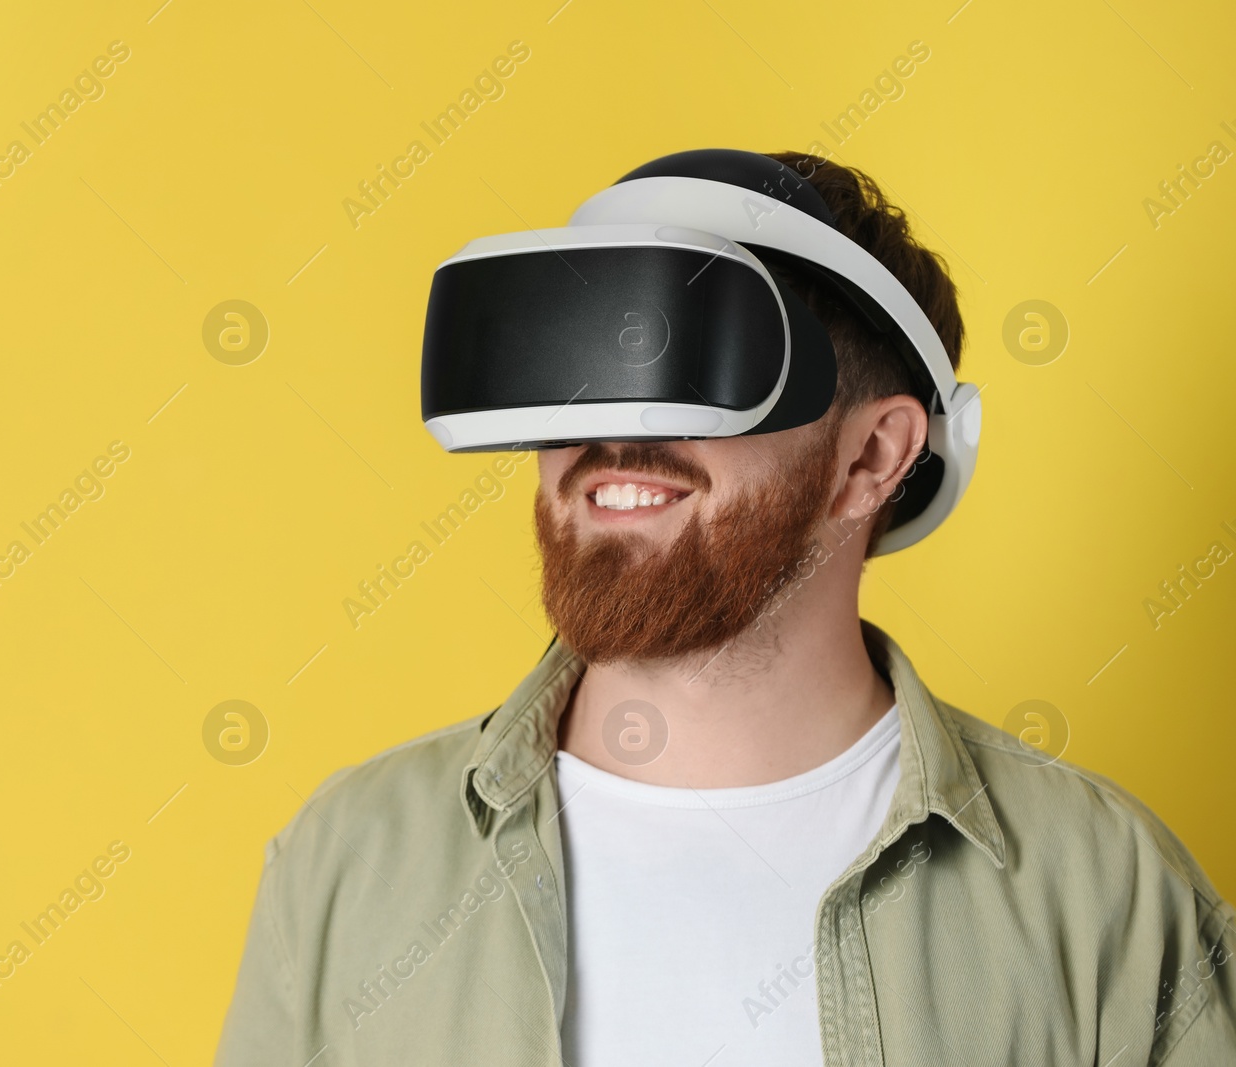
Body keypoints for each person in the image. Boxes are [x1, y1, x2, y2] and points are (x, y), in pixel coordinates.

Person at [213, 151, 1236, 1066]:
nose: (609, 440)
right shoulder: (348, 862)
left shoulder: (1104, 894)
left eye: (673, 360)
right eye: (577, 367)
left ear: (873, 456)